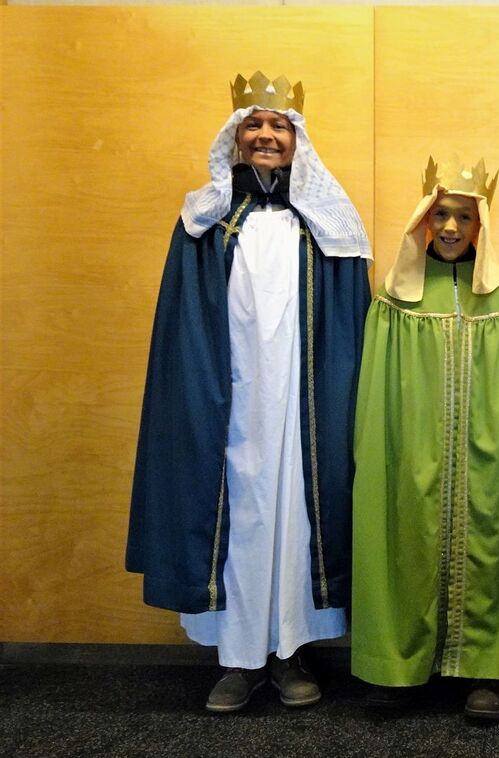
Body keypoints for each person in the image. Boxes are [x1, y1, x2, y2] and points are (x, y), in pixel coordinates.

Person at [126, 72, 372, 712]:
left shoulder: (330, 224)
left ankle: (290, 653)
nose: (266, 135)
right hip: (227, 401)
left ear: (297, 140)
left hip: (303, 403)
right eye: (254, 125)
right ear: (234, 138)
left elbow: (348, 326)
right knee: (236, 515)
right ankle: (238, 658)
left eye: (279, 125)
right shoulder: (203, 221)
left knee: (296, 514)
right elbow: (183, 322)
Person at [351, 158, 499, 721]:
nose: (452, 228)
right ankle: (399, 666)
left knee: (489, 544)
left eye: (465, 217)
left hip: (487, 453)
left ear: (481, 225)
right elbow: (375, 387)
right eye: (442, 215)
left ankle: (484, 670)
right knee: (406, 537)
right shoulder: (394, 295)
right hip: (410, 446)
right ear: (425, 219)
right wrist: (387, 448)